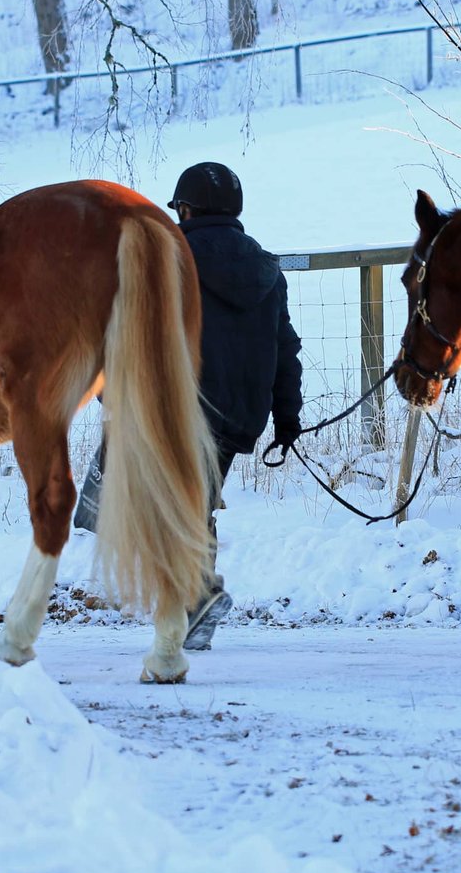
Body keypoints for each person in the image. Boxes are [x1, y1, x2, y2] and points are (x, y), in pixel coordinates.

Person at [75, 161, 304, 651]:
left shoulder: (166, 259)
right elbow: (286, 347)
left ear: (187, 207)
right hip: (241, 414)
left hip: (177, 407)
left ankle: (196, 596)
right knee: (192, 502)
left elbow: (133, 333)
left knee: (143, 505)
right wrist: (288, 418)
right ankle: (193, 610)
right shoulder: (266, 267)